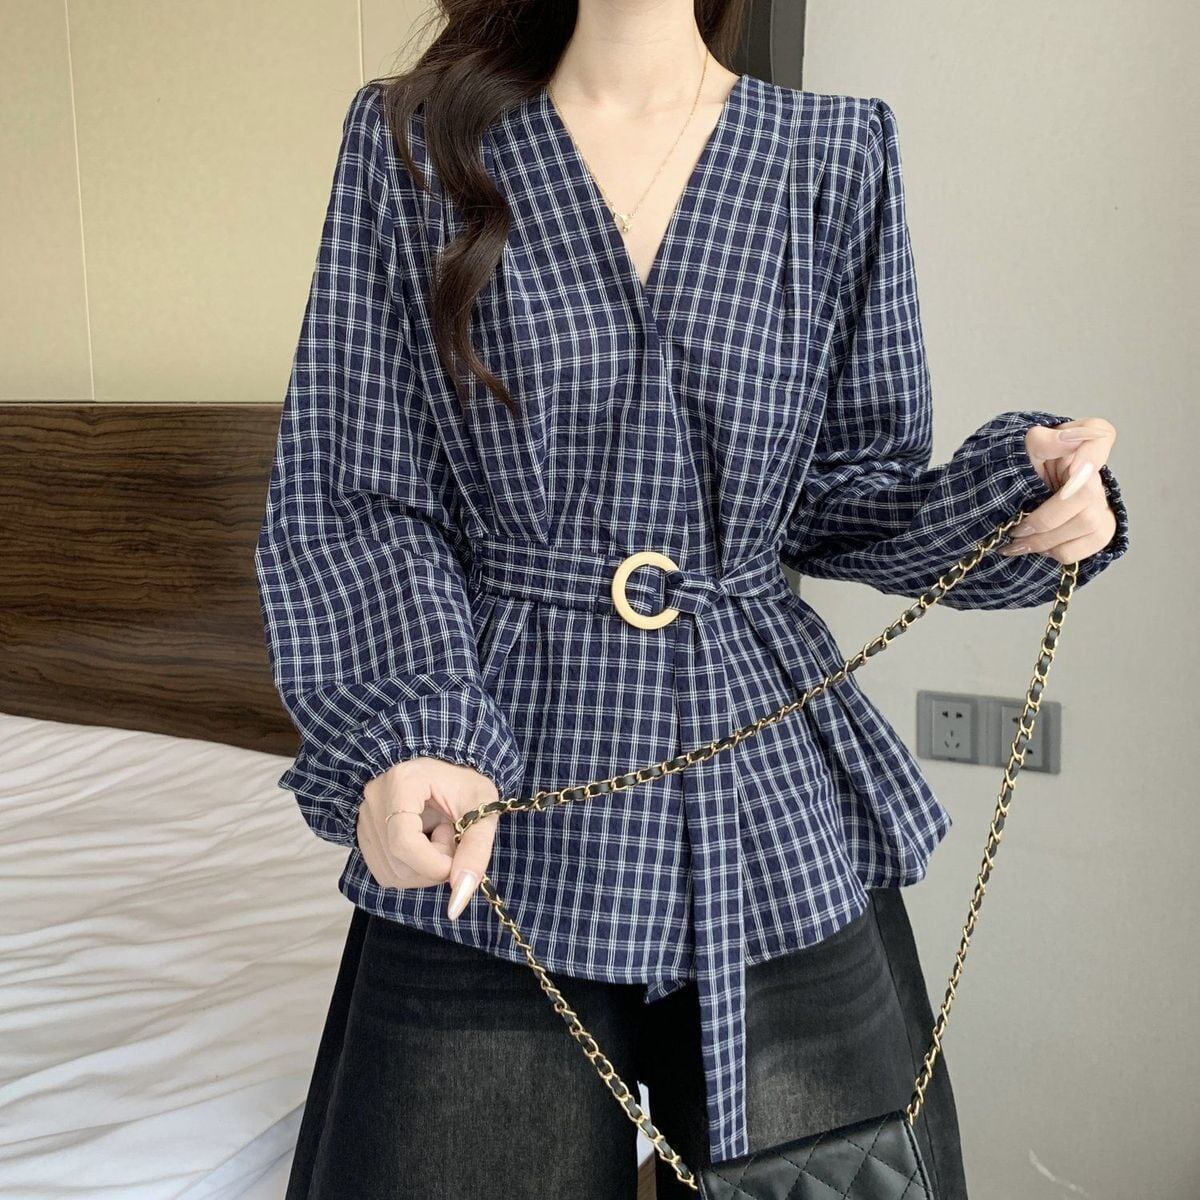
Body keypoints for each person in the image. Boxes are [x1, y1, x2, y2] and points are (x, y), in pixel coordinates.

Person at [254, 5, 1130, 1198]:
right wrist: (411, 730)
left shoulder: (834, 154)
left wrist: (1016, 498)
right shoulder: (415, 144)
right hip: (499, 778)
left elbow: (845, 491)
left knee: (841, 1171)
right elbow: (360, 485)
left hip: (764, 777)